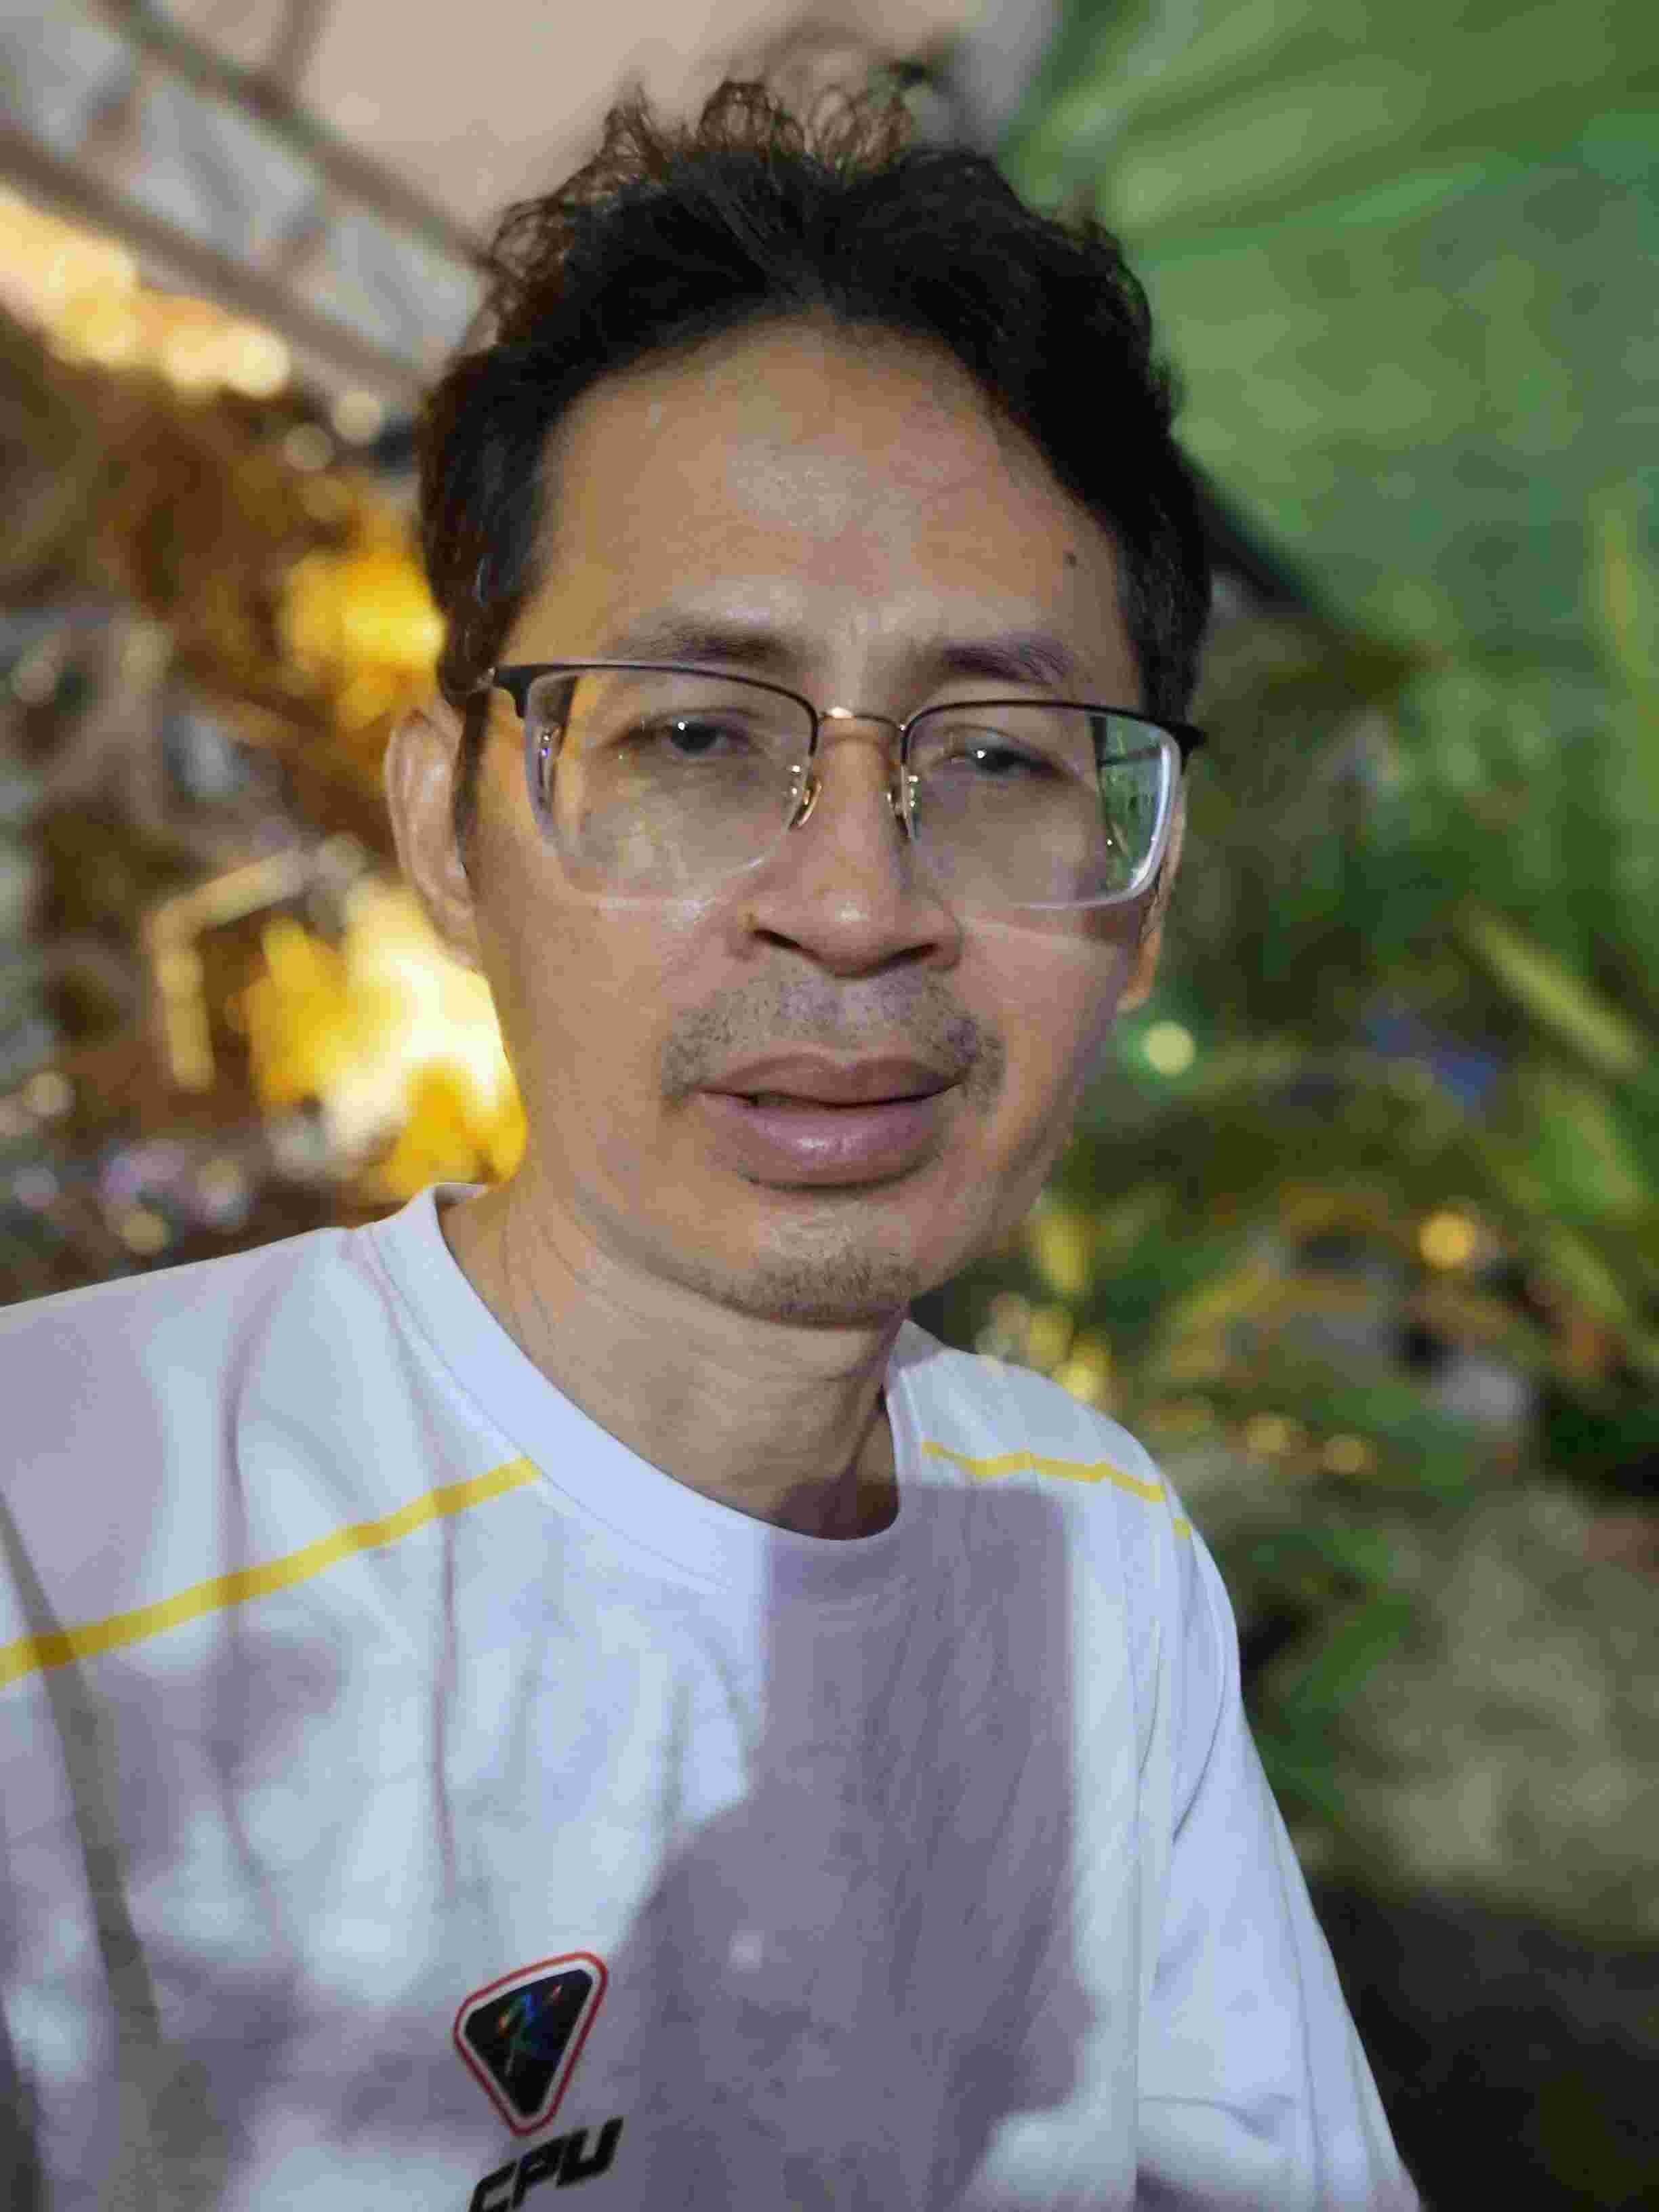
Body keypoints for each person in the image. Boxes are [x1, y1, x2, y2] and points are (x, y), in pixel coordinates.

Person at [0, 68, 1421, 2212]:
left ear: (1141, 896)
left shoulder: (1095, 1557)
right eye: (692, 734)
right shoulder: (65, 1559)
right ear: (447, 830)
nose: (853, 901)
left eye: (1003, 758)